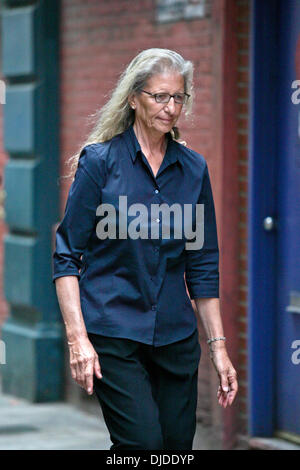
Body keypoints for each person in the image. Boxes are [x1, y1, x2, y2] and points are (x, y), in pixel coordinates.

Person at [52, 48, 238, 450]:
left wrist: (218, 349)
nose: (170, 108)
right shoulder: (100, 163)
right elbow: (66, 255)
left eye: (178, 97)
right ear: (134, 97)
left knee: (174, 447)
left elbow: (203, 263)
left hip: (175, 337)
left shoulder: (193, 169)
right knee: (142, 446)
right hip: (113, 333)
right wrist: (78, 339)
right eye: (159, 96)